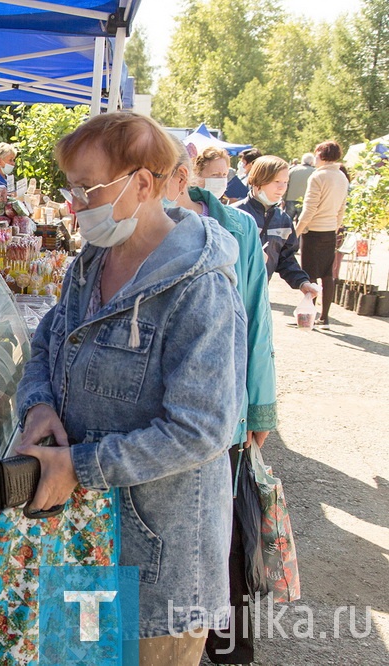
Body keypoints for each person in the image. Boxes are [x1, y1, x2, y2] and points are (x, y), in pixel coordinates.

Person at [17, 112, 247, 664]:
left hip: (158, 562)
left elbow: (201, 429)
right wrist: (39, 405)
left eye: (88, 188)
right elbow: (49, 342)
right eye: (71, 189)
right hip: (82, 538)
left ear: (143, 184)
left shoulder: (200, 288)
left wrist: (81, 466)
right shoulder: (92, 261)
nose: (76, 204)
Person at [168, 144, 277, 665]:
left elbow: (256, 316)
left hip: (225, 411)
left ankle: (230, 649)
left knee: (224, 535)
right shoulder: (142, 224)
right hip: (164, 417)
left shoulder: (239, 228)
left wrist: (259, 408)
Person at [233, 155, 320, 302]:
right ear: (258, 181)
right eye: (276, 181)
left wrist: (302, 282)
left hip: (259, 296)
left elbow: (286, 258)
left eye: (285, 182)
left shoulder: (283, 220)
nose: (281, 188)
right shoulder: (233, 214)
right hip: (231, 292)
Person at [296, 141, 350, 330]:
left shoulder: (317, 177)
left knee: (309, 275)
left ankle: (306, 316)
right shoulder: (342, 177)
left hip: (313, 230)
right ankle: (324, 317)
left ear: (320, 154)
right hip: (330, 230)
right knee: (328, 274)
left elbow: (309, 208)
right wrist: (335, 226)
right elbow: (342, 208)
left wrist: (298, 229)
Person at [284, 152, 315, 222]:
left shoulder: (292, 170)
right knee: (301, 223)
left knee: (286, 223)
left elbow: (286, 185)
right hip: (304, 201)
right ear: (312, 162)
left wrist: (283, 198)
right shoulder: (315, 172)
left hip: (290, 199)